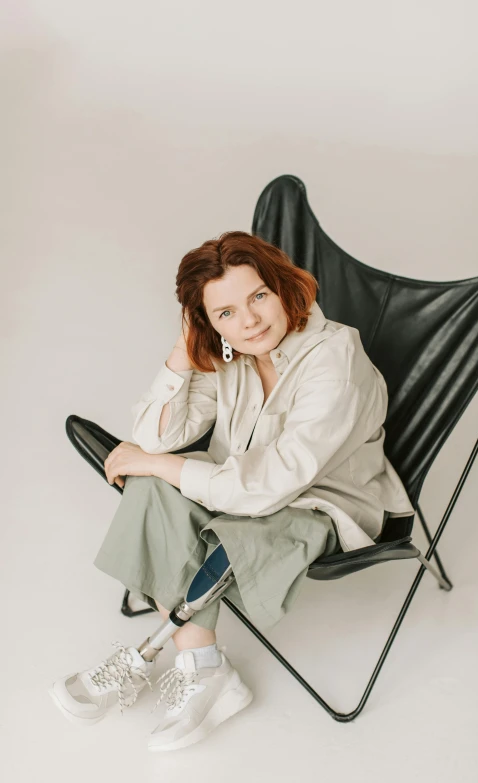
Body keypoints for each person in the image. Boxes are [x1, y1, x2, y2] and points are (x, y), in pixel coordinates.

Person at [49, 231, 414, 751]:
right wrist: (183, 349)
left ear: (283, 287)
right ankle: (203, 667)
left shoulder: (335, 356)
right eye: (224, 313)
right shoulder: (230, 352)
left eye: (259, 296)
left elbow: (275, 483)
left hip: (320, 506)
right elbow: (156, 436)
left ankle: (166, 657)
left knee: (171, 482)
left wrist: (158, 462)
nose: (249, 321)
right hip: (239, 487)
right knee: (153, 480)